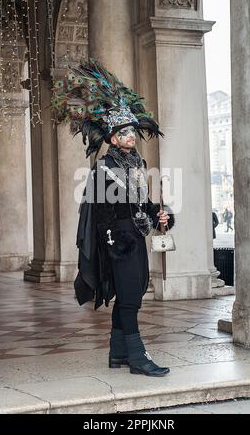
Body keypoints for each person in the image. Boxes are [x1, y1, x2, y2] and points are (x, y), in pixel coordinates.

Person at [53, 60, 175, 377]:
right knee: (131, 298)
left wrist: (160, 213)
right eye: (125, 132)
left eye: (133, 130)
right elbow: (101, 214)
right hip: (118, 243)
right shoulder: (103, 169)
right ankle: (137, 358)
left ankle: (117, 353)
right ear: (112, 138)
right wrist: (114, 243)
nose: (132, 135)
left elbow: (141, 203)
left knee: (131, 295)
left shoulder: (136, 165)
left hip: (135, 238)